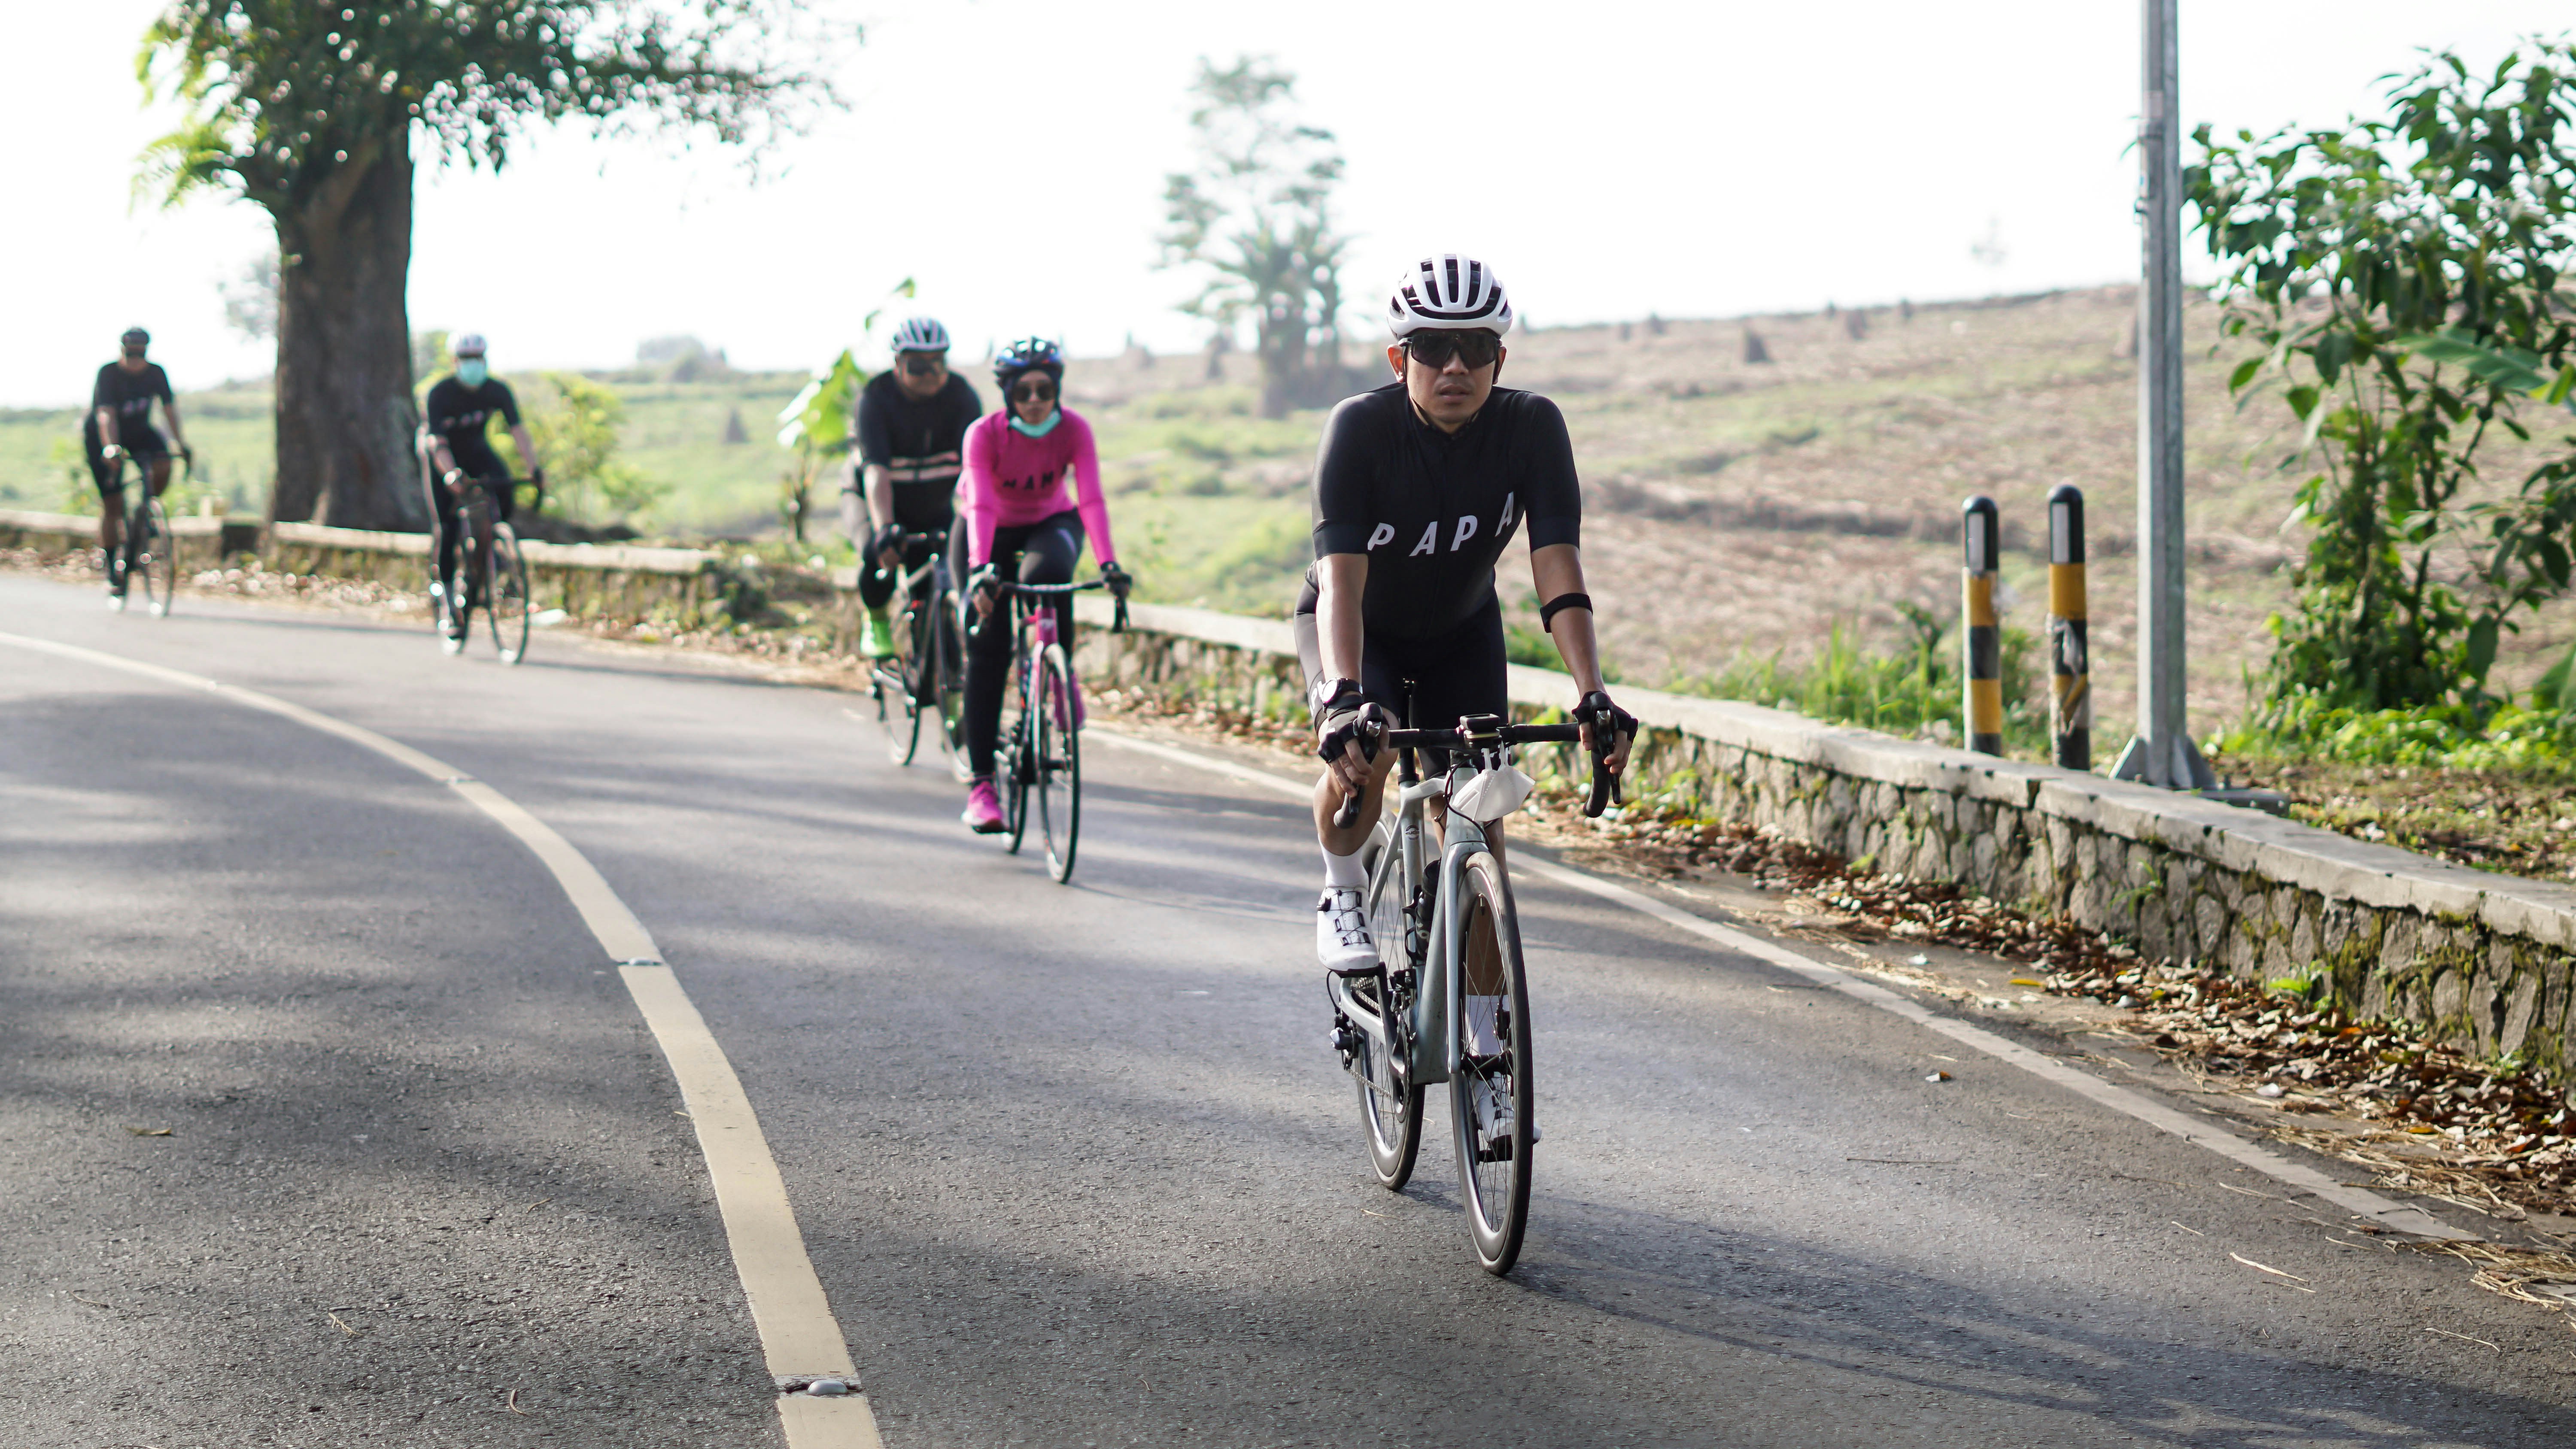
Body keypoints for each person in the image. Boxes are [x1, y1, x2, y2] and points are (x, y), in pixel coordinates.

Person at [1298, 254, 1637, 990]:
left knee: (1480, 823)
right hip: (1359, 628)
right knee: (1371, 745)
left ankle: (1485, 1050)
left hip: (1461, 633)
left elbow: (1558, 570)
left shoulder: (1532, 425)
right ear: (1399, 358)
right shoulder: (1359, 428)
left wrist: (1592, 691)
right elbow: (1342, 587)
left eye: (1476, 348)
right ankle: (1343, 887)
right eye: (1432, 348)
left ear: (1500, 357)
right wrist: (1345, 695)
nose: (1455, 365)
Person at [953, 338, 1133, 833]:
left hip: (1049, 523)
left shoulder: (1075, 429)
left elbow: (1091, 499)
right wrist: (982, 569)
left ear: (1058, 390)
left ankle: (1056, 670)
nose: (1035, 400)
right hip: (982, 528)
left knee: (1047, 578)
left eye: (1045, 389)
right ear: (1007, 394)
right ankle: (983, 787)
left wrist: (1109, 562)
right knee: (986, 650)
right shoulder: (983, 435)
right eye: (1024, 391)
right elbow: (983, 505)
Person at [844, 317, 984, 658]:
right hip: (874, 497)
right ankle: (876, 618)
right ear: (897, 364)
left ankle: (940, 676)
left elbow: (978, 471)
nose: (931, 374)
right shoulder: (876, 399)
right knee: (879, 555)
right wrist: (885, 529)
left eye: (939, 364)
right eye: (918, 366)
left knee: (933, 577)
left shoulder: (962, 397)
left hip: (931, 504)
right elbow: (876, 472)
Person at [420, 334, 543, 643]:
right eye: (467, 359)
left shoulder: (496, 391)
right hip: (442, 457)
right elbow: (436, 442)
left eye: (478, 358)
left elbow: (518, 431)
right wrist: (450, 475)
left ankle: (494, 546)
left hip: (476, 450)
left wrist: (534, 470)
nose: (473, 364)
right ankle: (449, 605)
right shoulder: (440, 394)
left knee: (503, 486)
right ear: (455, 362)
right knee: (447, 529)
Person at [84, 327, 191, 603]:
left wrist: (181, 444)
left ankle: (146, 512)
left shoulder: (156, 373)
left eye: (139, 352)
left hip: (140, 431)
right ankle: (111, 568)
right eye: (130, 352)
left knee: (164, 463)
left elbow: (169, 411)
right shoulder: (108, 374)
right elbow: (106, 415)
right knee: (114, 504)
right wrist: (111, 447)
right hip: (103, 436)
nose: (135, 359)